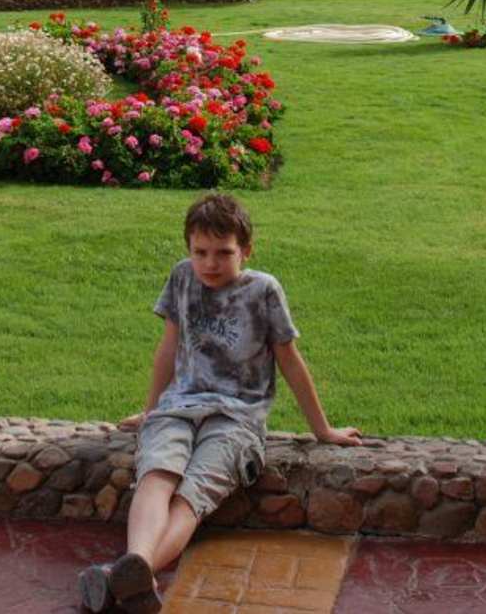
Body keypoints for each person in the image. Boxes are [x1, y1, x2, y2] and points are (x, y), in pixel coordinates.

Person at [76, 194, 360, 613]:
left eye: (224, 253)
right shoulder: (181, 278)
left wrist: (323, 429)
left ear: (246, 250)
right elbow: (168, 348)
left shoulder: (263, 291)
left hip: (237, 419)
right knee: (156, 474)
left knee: (191, 497)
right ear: (189, 249)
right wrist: (151, 411)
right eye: (200, 252)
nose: (210, 263)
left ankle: (122, 575)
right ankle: (134, 570)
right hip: (178, 407)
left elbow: (289, 360)